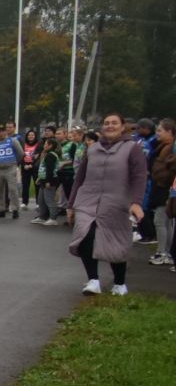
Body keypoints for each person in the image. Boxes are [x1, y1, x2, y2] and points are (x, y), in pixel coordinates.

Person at [66, 113, 148, 295]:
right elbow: (80, 177)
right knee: (85, 236)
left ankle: (119, 283)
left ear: (122, 126)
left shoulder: (132, 148)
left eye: (114, 123)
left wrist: (136, 202)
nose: (110, 126)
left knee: (115, 242)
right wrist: (71, 204)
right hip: (88, 200)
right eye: (106, 123)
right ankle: (93, 280)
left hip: (117, 202)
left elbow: (139, 177)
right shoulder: (93, 148)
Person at [148, 120, 175, 266]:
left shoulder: (170, 148)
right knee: (165, 222)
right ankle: (168, 251)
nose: (157, 133)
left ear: (170, 132)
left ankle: (162, 252)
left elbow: (169, 169)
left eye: (160, 131)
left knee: (160, 221)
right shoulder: (161, 146)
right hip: (162, 186)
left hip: (165, 188)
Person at [0, 124, 22, 218]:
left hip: (10, 168)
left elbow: (21, 153)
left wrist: (15, 163)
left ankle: (15, 209)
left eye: (3, 130)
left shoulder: (12, 140)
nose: (1, 132)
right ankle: (0, 209)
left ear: (5, 132)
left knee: (12, 189)